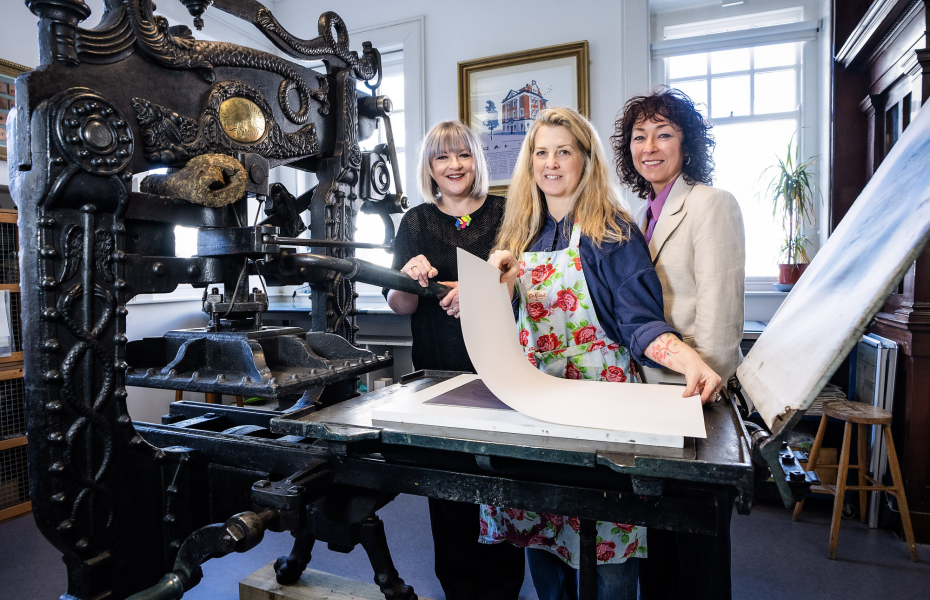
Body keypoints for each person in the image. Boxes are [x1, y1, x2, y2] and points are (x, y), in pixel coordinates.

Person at [484, 106, 722, 600]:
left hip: (602, 405)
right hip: (537, 402)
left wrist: (690, 362)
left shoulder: (611, 231)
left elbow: (640, 322)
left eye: (564, 152)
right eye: (541, 153)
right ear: (529, 164)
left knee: (608, 541)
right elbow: (504, 327)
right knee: (544, 534)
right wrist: (493, 285)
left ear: (586, 161)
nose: (551, 163)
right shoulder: (519, 234)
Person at [611, 86, 745, 600]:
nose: (650, 146)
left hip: (693, 395)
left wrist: (704, 401)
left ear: (687, 145)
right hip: (649, 394)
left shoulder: (711, 204)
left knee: (698, 547)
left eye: (664, 133)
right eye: (640, 136)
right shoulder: (641, 212)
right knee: (658, 539)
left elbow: (720, 317)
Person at [385, 120, 525, 599]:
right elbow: (400, 304)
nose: (454, 165)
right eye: (443, 157)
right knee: (447, 496)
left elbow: (528, 290)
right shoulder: (416, 222)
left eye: (463, 155)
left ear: (477, 161)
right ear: (430, 166)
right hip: (436, 375)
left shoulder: (509, 213)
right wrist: (408, 276)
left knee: (501, 488)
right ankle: (458, 589)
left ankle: (503, 587)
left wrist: (480, 288)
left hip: (499, 373)